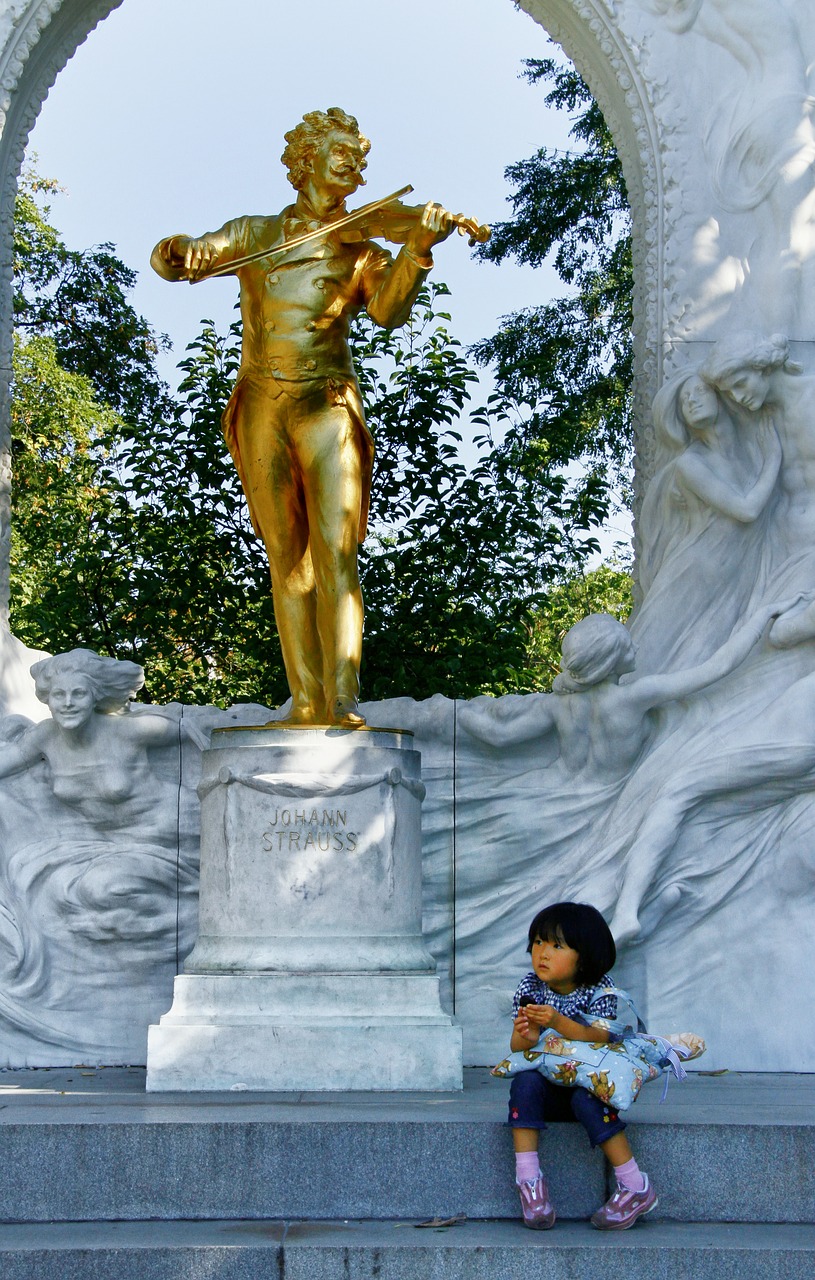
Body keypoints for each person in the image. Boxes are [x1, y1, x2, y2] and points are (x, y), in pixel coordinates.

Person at [151, 107, 459, 728]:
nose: (352, 162)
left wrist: (418, 251)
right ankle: (306, 702)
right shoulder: (255, 234)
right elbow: (181, 261)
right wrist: (175, 252)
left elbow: (390, 313)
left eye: (358, 155)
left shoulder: (362, 247)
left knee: (337, 551)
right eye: (339, 151)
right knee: (288, 557)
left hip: (328, 401)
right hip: (263, 401)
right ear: (305, 161)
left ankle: (342, 702)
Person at [508, 901, 655, 1231]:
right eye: (539, 942)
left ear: (585, 955)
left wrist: (558, 1022)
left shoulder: (599, 988)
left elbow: (600, 1038)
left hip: (587, 1085)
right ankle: (529, 1182)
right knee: (524, 1081)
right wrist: (526, 1035)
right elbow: (517, 1048)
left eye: (557, 945)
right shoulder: (531, 988)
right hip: (547, 1088)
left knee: (587, 1099)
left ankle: (635, 1186)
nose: (542, 953)